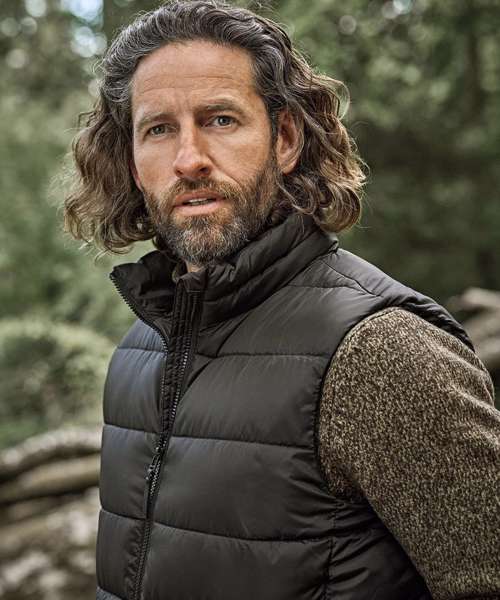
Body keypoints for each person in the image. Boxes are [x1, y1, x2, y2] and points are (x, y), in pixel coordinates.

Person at [64, 1, 500, 599]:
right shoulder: (139, 352)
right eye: (158, 129)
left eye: (220, 119)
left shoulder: (382, 352)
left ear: (286, 139)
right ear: (134, 163)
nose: (188, 159)